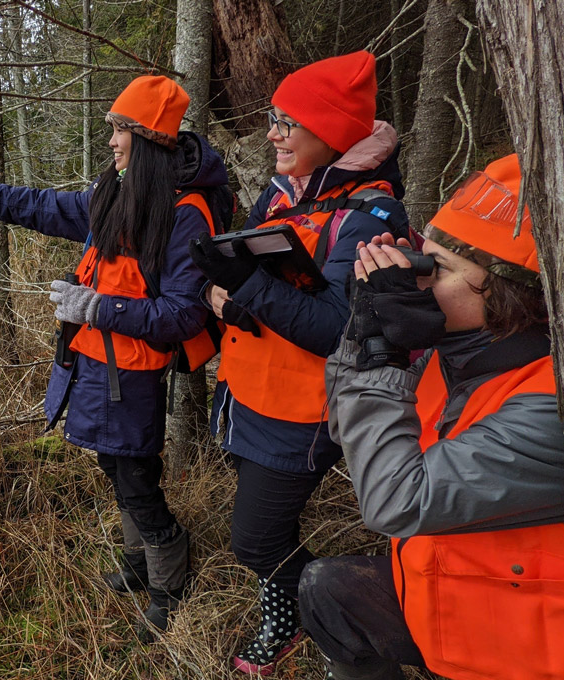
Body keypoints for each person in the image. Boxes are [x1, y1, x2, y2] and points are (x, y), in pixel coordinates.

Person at [0, 75, 231, 639]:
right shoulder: (117, 194)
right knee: (113, 465)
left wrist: (100, 309)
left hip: (132, 375)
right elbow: (36, 205)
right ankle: (137, 564)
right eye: (111, 128)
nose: (110, 140)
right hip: (94, 366)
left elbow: (184, 315)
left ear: (150, 139)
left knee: (135, 476)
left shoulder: (186, 214)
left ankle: (169, 582)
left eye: (121, 129)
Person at [300, 154, 564, 680]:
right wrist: (365, 334)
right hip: (465, 610)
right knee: (329, 592)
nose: (416, 280)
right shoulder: (458, 357)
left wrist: (383, 355)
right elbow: (347, 428)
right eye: (421, 260)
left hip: (546, 653)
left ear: (509, 295)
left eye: (438, 270)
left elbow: (395, 502)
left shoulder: (559, 407)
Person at [186, 51, 410, 674]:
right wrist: (218, 294)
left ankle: (325, 609)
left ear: (332, 132)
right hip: (247, 393)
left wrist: (247, 288)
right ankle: (289, 597)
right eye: (272, 118)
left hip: (302, 412)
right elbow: (252, 276)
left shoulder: (371, 214)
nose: (273, 133)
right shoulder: (283, 194)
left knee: (254, 539)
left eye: (289, 121)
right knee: (262, 530)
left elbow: (341, 327)